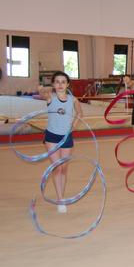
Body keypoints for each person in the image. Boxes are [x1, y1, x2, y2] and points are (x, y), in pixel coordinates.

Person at [37, 71, 83, 213]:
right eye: (57, 82)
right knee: (57, 168)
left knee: (64, 168)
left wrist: (73, 126)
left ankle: (61, 196)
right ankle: (60, 199)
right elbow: (41, 92)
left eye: (63, 82)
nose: (60, 85)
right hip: (51, 137)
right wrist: (42, 89)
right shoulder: (50, 97)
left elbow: (80, 113)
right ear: (53, 84)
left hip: (66, 137)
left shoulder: (72, 99)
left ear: (68, 84)